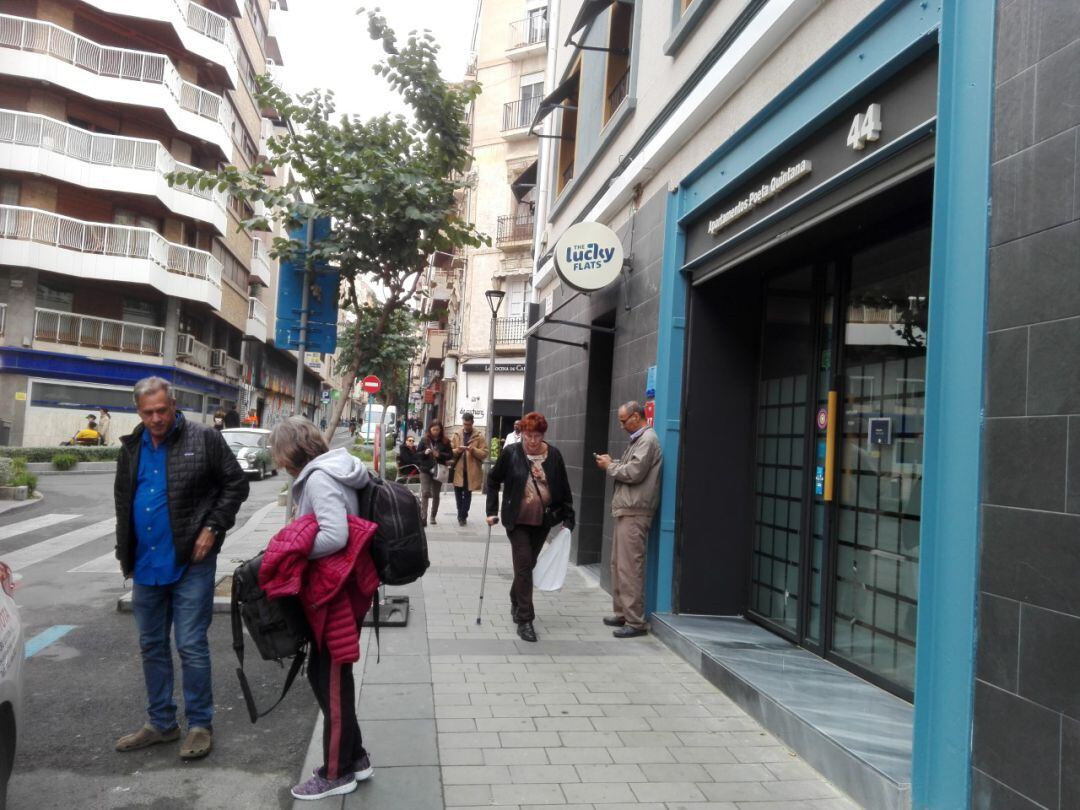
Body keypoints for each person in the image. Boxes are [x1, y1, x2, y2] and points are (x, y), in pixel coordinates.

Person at [113, 377, 249, 759]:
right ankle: (161, 723)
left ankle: (200, 725)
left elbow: (236, 485)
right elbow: (124, 502)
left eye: (162, 410)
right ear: (138, 412)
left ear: (173, 405)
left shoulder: (203, 438)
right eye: (148, 412)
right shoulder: (131, 448)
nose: (156, 418)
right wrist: (125, 551)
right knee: (151, 645)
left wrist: (213, 528)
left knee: (190, 645)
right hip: (145, 564)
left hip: (192, 561)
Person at [264, 417, 376, 801]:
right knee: (329, 673)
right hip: (343, 587)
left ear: (290, 451)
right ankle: (356, 757)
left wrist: (293, 553)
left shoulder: (319, 478)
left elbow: (334, 534)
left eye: (279, 455)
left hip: (336, 593)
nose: (279, 463)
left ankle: (336, 772)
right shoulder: (334, 470)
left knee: (330, 678)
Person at [486, 412, 574, 643]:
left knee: (529, 565)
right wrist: (491, 511)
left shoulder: (553, 455)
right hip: (517, 520)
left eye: (537, 435)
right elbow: (493, 479)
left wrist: (568, 516)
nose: (533, 440)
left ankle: (516, 596)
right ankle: (525, 619)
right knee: (524, 564)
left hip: (543, 520)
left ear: (543, 434)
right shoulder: (511, 453)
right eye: (528, 435)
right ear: (522, 433)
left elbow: (563, 486)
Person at [594, 401, 663, 638]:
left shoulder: (647, 440)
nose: (622, 425)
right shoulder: (640, 439)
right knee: (618, 565)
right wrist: (613, 463)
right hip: (628, 510)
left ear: (636, 417)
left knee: (630, 568)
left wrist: (609, 466)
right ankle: (623, 613)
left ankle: (635, 622)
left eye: (624, 420)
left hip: (635, 512)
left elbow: (634, 472)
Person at [449, 412, 488, 526]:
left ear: (472, 423)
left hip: (471, 471)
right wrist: (458, 450)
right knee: (457, 494)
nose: (466, 426)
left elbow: (485, 453)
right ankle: (461, 513)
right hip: (459, 470)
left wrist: (474, 450)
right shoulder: (457, 434)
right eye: (464, 424)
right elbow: (449, 451)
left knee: (467, 494)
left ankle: (463, 516)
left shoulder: (479, 436)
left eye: (468, 424)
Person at [416, 420, 452, 526]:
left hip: (439, 470)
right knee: (425, 492)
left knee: (436, 494)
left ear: (441, 430)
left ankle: (433, 516)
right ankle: (423, 517)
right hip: (425, 470)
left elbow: (450, 455)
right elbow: (417, 454)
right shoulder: (424, 440)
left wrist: (439, 455)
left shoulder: (445, 441)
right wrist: (424, 453)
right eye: (433, 429)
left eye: (437, 429)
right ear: (430, 430)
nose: (435, 431)